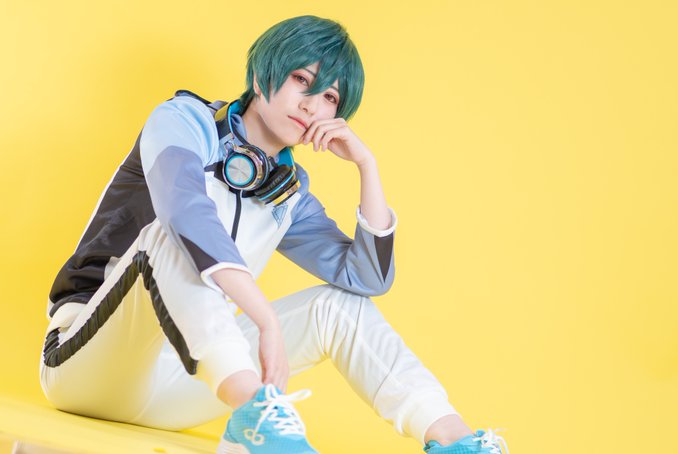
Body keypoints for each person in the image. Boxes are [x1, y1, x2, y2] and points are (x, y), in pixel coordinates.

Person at [40, 15, 509, 454]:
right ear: (263, 72)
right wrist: (264, 318)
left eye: (331, 98)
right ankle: (254, 416)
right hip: (88, 365)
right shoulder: (184, 120)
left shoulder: (288, 191)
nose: (312, 105)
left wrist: (367, 166)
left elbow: (366, 279)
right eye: (302, 80)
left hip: (186, 379)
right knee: (167, 237)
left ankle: (453, 439)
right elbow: (184, 212)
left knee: (337, 306)